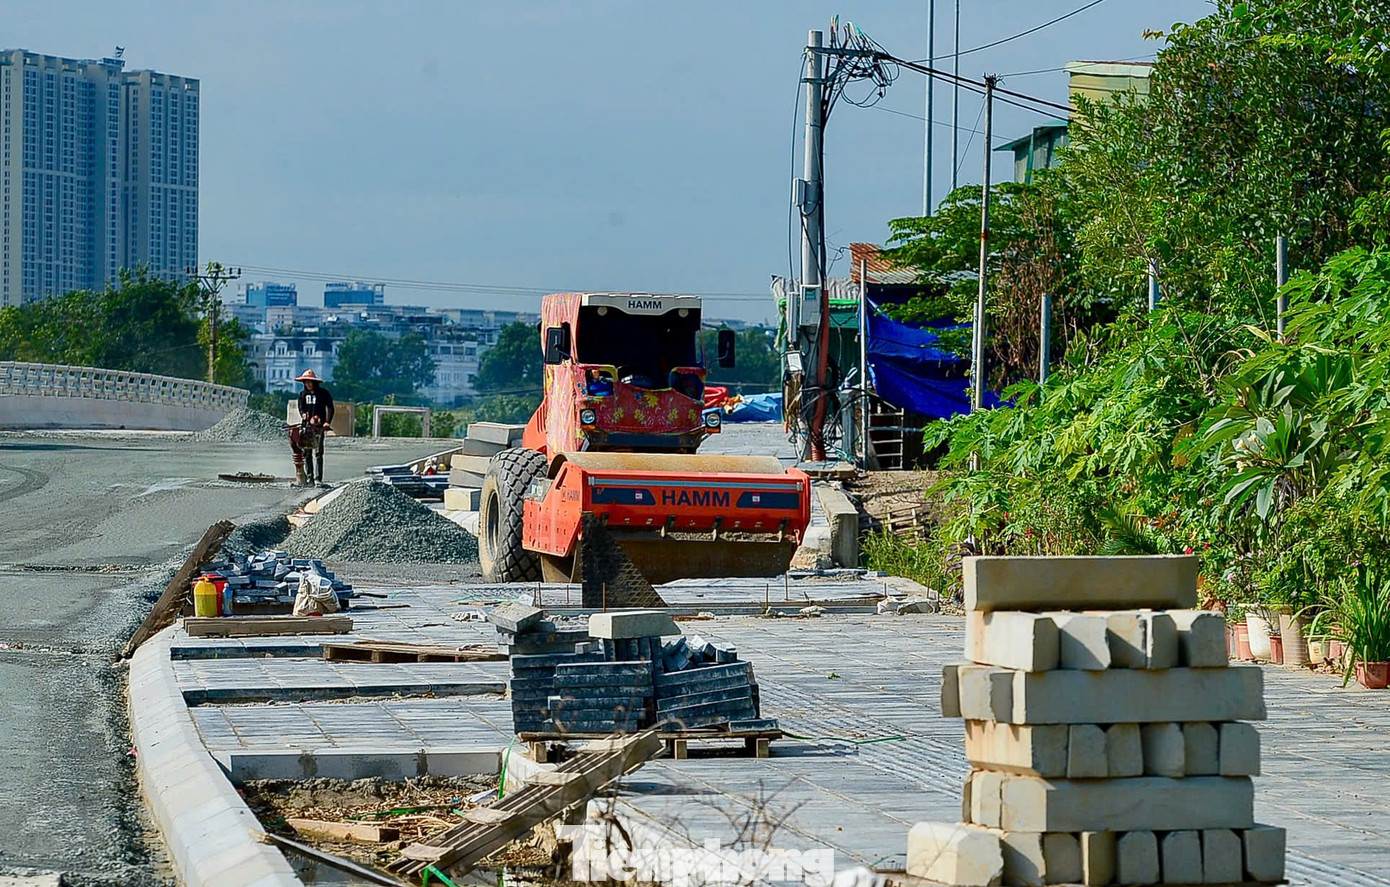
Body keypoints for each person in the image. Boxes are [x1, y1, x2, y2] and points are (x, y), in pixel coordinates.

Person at [290, 370, 335, 485]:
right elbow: (301, 407)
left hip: (319, 427)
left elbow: (330, 407)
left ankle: (318, 478)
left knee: (319, 452)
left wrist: (327, 422)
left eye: (310, 382)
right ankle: (310, 478)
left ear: (314, 382)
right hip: (307, 427)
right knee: (307, 452)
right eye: (306, 382)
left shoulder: (323, 393)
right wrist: (303, 414)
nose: (308, 384)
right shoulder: (303, 394)